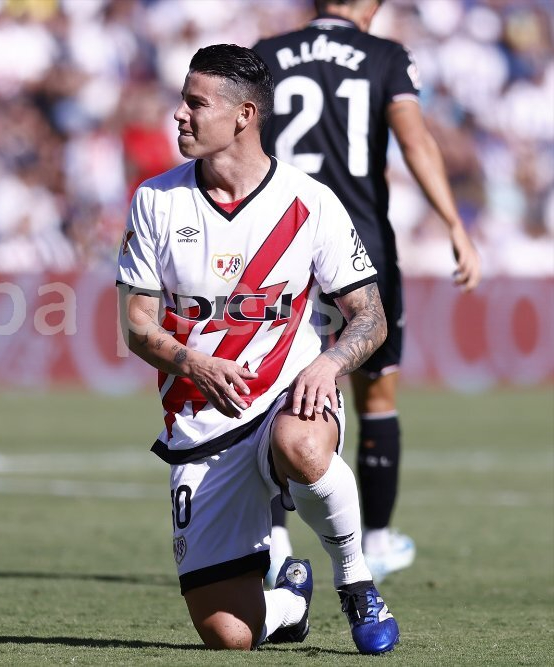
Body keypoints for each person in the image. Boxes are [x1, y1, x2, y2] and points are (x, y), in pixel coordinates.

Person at [116, 43, 400, 654]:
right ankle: (290, 602)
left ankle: (355, 579)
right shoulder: (156, 200)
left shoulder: (310, 200)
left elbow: (370, 317)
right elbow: (137, 326)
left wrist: (328, 363)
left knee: (300, 445)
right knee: (228, 636)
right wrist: (191, 360)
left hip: (288, 394)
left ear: (244, 115)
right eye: (182, 102)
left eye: (196, 104)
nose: (180, 116)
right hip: (200, 422)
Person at [253, 0, 482, 585]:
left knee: (269, 392)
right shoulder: (384, 56)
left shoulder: (268, 55)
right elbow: (415, 142)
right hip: (360, 247)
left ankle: (273, 546)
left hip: (279, 244)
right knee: (377, 395)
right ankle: (375, 541)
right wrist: (455, 223)